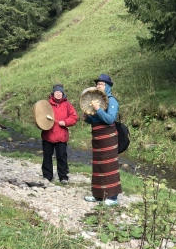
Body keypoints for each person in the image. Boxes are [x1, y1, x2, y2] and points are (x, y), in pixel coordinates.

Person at [82, 73, 122, 206]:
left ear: (108, 87)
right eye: (98, 84)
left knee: (109, 166)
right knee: (98, 167)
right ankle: (98, 195)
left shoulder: (112, 101)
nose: (99, 86)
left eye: (102, 84)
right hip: (97, 138)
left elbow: (110, 119)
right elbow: (95, 119)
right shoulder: (95, 100)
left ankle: (113, 197)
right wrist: (87, 118)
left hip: (108, 138)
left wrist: (98, 109)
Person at [41, 83, 78, 184]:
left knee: (62, 156)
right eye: (56, 92)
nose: (58, 94)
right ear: (53, 93)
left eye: (60, 92)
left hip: (61, 136)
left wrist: (65, 122)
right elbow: (40, 116)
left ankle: (63, 176)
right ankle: (47, 176)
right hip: (48, 135)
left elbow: (74, 117)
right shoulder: (46, 104)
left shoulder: (67, 105)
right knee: (47, 156)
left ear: (63, 93)